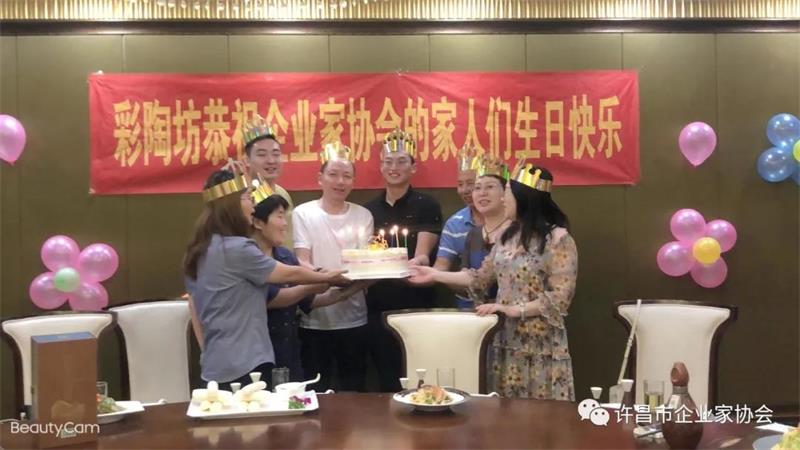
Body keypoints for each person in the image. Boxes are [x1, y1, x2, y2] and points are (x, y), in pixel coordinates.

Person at [409, 163, 577, 400]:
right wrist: (434, 274)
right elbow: (479, 278)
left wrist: (513, 309)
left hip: (539, 344)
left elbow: (560, 298)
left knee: (539, 412)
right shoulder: (507, 237)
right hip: (503, 338)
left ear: (524, 198)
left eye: (507, 193)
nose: (504, 200)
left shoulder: (558, 239)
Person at [184, 165, 349, 392]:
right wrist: (327, 277)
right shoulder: (237, 248)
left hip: (215, 364)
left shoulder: (200, 249)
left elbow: (194, 308)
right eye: (247, 198)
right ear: (231, 205)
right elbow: (288, 274)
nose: (253, 207)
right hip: (245, 365)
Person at [251, 187, 369, 383]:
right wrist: (320, 280)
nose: (285, 224)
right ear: (257, 222)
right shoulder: (245, 257)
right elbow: (271, 299)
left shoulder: (285, 256)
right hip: (259, 353)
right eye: (279, 216)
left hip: (289, 352)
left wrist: (360, 283)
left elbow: (312, 301)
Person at [363, 128, 443, 392]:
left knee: (419, 375)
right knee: (385, 377)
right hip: (378, 304)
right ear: (380, 166)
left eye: (401, 161)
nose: (394, 167)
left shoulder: (427, 205)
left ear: (413, 167)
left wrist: (414, 262)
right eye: (388, 162)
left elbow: (422, 254)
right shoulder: (369, 210)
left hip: (416, 302)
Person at [292, 142, 374, 392]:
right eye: (333, 174)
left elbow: (366, 263)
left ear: (353, 181)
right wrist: (329, 280)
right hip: (314, 319)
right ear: (320, 178)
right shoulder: (303, 213)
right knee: (316, 391)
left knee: (354, 390)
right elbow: (302, 261)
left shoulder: (363, 215)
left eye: (347, 176)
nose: (340, 181)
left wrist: (351, 284)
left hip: (354, 318)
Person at [432, 146, 483, 308]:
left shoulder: (510, 223)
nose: (465, 190)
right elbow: (441, 268)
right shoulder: (454, 224)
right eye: (460, 184)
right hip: (467, 307)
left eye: (471, 184)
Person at [243, 114, 295, 246]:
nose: (271, 160)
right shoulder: (242, 198)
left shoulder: (282, 194)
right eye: (262, 155)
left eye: (276, 154)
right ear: (247, 160)